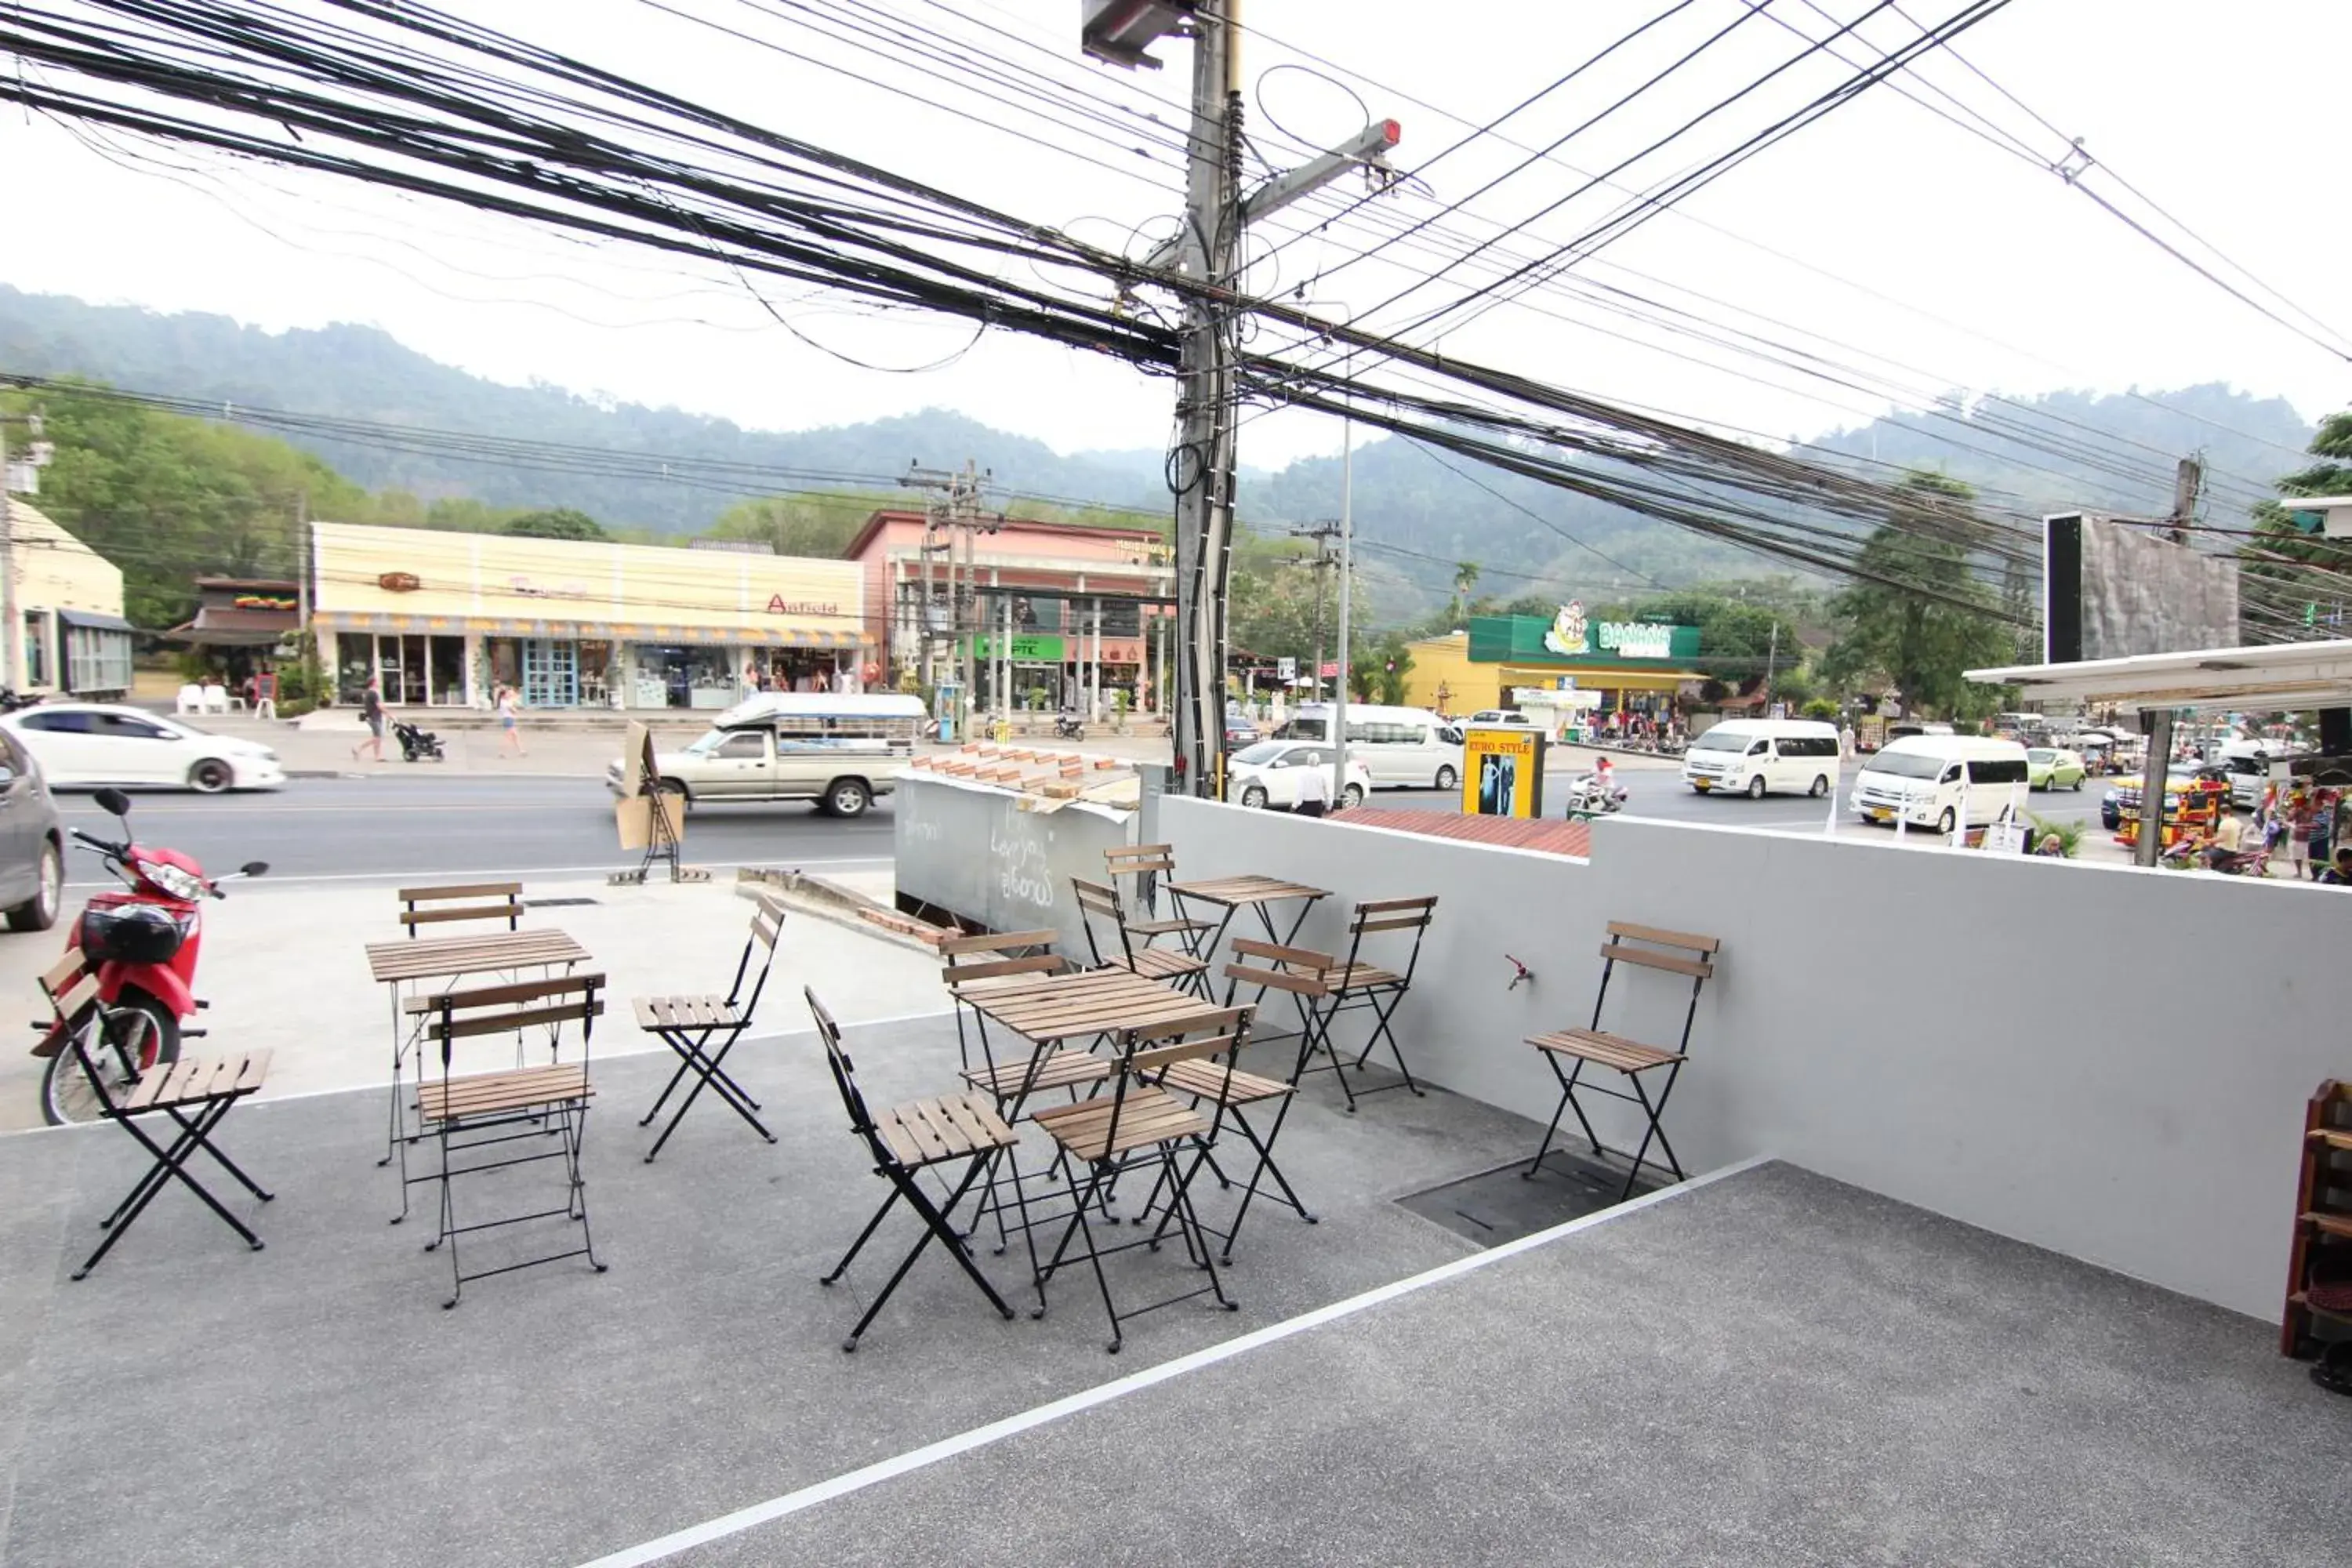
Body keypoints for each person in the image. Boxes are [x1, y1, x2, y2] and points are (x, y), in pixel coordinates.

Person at [350, 677, 387, 763]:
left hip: (372, 716)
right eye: (377, 681)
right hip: (374, 717)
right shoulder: (373, 693)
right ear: (373, 683)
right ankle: (358, 748)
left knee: (377, 737)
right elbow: (379, 706)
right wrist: (389, 714)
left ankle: (377, 756)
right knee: (377, 737)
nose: (378, 683)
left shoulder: (368, 693)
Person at [1294, 751, 1333, 818]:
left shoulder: (1303, 775)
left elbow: (1300, 792)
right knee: (1317, 824)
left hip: (1305, 804)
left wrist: (1295, 805)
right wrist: (1329, 805)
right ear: (1318, 762)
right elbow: (1327, 792)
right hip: (1318, 804)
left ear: (1308, 762)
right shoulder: (1322, 775)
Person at [495, 683, 527, 758]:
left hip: (508, 719)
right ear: (503, 695)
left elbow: (513, 696)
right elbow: (513, 710)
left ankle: (521, 750)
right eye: (507, 694)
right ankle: (503, 752)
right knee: (509, 737)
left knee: (515, 736)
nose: (508, 695)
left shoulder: (504, 701)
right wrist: (515, 709)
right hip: (508, 719)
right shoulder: (505, 703)